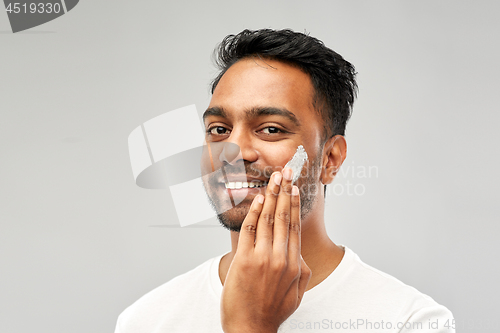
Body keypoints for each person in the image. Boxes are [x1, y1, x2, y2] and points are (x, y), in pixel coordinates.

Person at [115, 29, 455, 332]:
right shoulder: (146, 321)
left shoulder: (410, 321)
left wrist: (250, 327)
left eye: (271, 129)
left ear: (330, 159)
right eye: (219, 129)